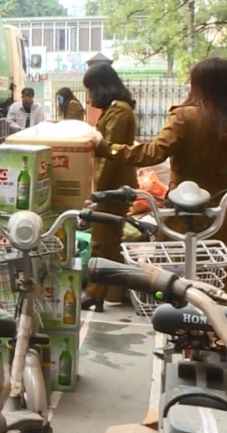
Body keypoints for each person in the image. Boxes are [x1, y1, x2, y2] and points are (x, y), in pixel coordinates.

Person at [103, 57, 227, 296]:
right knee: (225, 273)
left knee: (178, 273)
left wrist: (108, 148)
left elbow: (153, 152)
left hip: (187, 209)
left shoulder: (185, 117)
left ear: (199, 84)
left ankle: (181, 322)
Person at [82, 63, 138, 312]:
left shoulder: (120, 112)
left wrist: (96, 193)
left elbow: (110, 154)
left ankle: (101, 292)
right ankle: (99, 292)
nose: (91, 97)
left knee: (105, 243)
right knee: (102, 241)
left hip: (115, 187)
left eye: (92, 89)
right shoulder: (115, 110)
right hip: (113, 186)